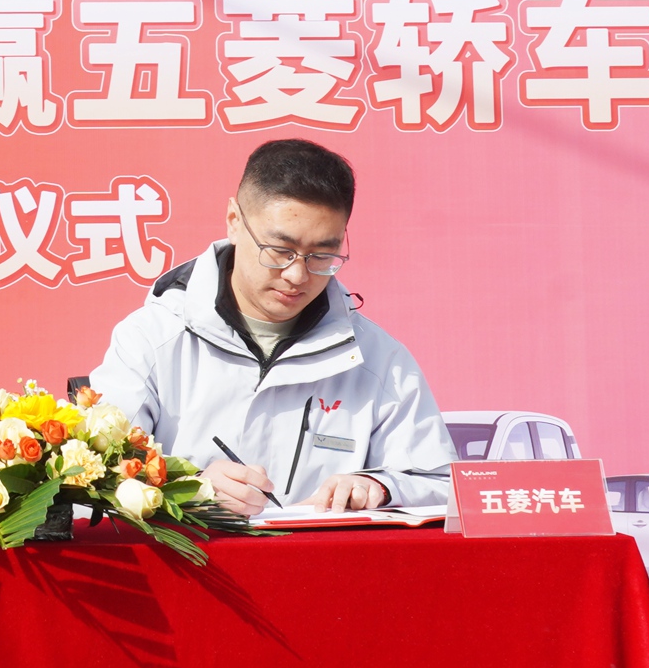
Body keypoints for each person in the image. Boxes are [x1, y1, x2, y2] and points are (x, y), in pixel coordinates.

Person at [89, 138, 455, 517]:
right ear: (234, 221)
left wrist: (382, 486)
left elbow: (442, 483)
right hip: (191, 554)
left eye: (322, 255)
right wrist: (189, 487)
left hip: (322, 556)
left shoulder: (379, 359)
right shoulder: (151, 339)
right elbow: (91, 473)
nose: (297, 275)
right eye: (280, 251)